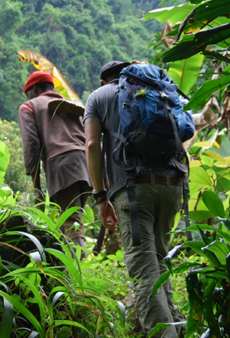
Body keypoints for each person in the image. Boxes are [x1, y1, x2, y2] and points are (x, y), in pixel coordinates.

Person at [84, 61, 182, 338]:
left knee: (143, 269)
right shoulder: (154, 90)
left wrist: (101, 197)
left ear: (104, 81)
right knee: (159, 263)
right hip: (173, 184)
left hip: (133, 188)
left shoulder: (98, 97)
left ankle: (165, 335)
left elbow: (92, 145)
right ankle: (177, 328)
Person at [18, 71, 91, 249]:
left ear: (34, 89)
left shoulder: (29, 106)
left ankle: (77, 265)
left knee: (71, 219)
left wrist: (36, 187)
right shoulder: (72, 105)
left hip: (62, 164)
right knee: (71, 214)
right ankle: (66, 263)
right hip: (85, 163)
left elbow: (31, 145)